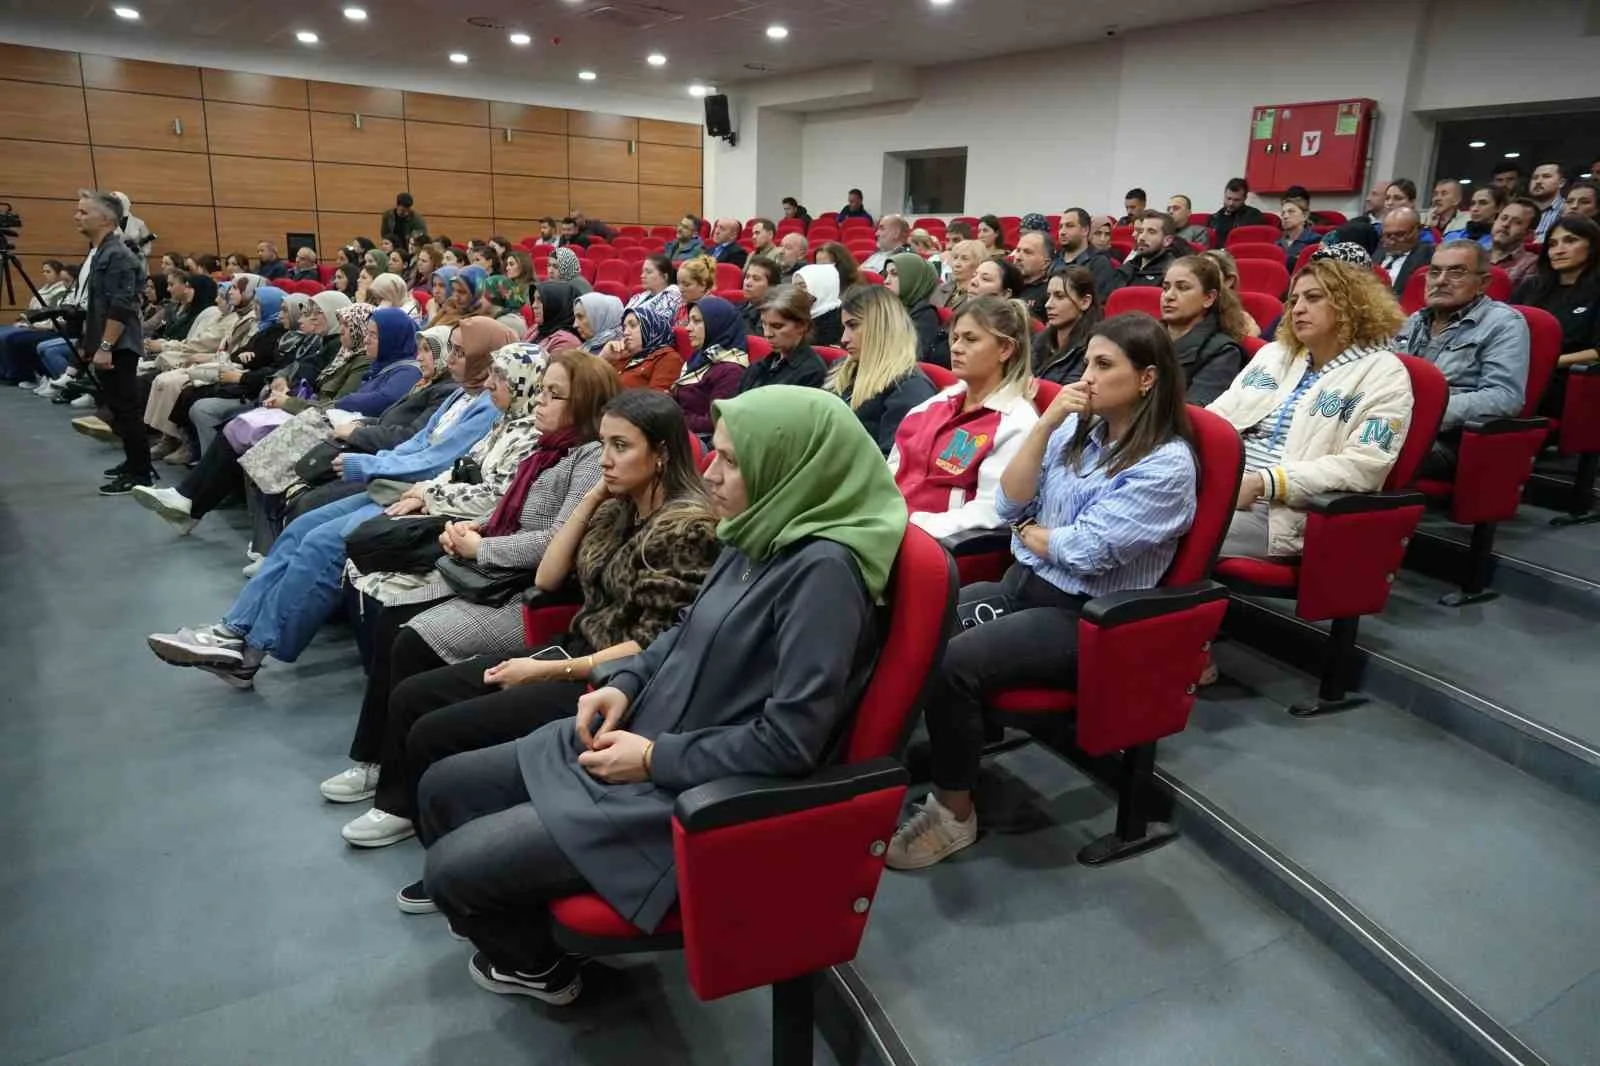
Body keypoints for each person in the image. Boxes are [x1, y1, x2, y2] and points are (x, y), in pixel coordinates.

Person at [406, 383, 904, 1005]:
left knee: (453, 870)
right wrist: (625, 682)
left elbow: (791, 742)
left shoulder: (824, 573)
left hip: (682, 784)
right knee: (443, 786)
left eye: (730, 460)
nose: (712, 473)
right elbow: (680, 632)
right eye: (715, 454)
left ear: (788, 467)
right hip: (640, 731)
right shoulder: (754, 529)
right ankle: (523, 919)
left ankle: (538, 965)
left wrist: (650, 759)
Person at [334, 385, 722, 851]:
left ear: (661, 454)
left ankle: (447, 848)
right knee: (415, 696)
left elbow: (657, 644)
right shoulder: (619, 506)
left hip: (612, 680)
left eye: (621, 446)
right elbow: (549, 573)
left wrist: (543, 670)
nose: (606, 459)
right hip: (574, 648)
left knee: (434, 731)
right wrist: (594, 496)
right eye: (603, 445)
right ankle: (406, 812)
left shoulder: (687, 529)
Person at [886, 313, 1198, 869]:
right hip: (1025, 584)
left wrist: (1032, 535)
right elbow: (1009, 505)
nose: (1087, 378)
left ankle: (955, 814)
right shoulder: (1081, 433)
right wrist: (1047, 422)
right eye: (1086, 363)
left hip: (1090, 617)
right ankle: (917, 756)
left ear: (1147, 379)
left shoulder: (1166, 464)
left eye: (1104, 365)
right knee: (915, 623)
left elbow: (1088, 551)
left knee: (951, 664)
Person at [144, 315, 513, 686]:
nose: (451, 359)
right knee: (302, 527)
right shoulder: (459, 393)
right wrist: (376, 464)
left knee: (324, 543)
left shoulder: (487, 407)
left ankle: (250, 652)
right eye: (453, 349)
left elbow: (437, 459)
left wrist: (366, 463)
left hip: (421, 497)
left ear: (488, 359)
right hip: (395, 482)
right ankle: (232, 628)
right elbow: (416, 444)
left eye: (462, 353)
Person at [1209, 249, 1414, 563]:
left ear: (1350, 303)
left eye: (1313, 298)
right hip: (1220, 485)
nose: (1298, 309)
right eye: (1293, 301)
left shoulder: (1386, 374)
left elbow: (1364, 466)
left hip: (1281, 513)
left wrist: (1264, 482)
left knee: (1162, 530)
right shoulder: (1275, 354)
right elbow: (1218, 417)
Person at [889, 295, 1039, 538]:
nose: (956, 347)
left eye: (971, 339)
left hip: (934, 543)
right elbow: (893, 470)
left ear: (1005, 349)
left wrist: (913, 524)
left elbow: (992, 511)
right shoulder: (931, 406)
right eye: (956, 337)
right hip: (889, 525)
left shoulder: (1017, 423)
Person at [1396, 240, 1531, 477]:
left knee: (1364, 450)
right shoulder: (1415, 321)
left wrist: (1424, 412)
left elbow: (1505, 396)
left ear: (1483, 282)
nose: (1440, 281)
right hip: (1396, 424)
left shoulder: (1503, 323)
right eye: (1435, 272)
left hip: (1447, 439)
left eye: (1456, 272)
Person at [75, 191, 154, 495]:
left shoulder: (117, 255)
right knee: (118, 409)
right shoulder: (102, 252)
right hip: (107, 341)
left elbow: (121, 305)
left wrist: (105, 347)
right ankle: (133, 462)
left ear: (105, 219)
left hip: (119, 345)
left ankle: (141, 473)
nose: (77, 216)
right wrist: (91, 343)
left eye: (84, 212)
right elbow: (99, 305)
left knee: (127, 410)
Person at [827, 284, 937, 454]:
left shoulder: (910, 389)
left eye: (853, 325)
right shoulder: (843, 369)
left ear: (880, 326)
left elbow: (890, 466)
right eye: (844, 327)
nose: (844, 339)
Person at [1511, 214, 1600, 417]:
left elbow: (1597, 352)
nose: (1558, 250)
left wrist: (1545, 363)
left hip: (1564, 378)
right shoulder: (1531, 286)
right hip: (1515, 369)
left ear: (1593, 245)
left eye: (1570, 240)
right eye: (1552, 244)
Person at [1160, 255, 1248, 405]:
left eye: (1182, 288)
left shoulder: (1223, 352)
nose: (1169, 296)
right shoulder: (1146, 335)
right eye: (1166, 288)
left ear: (1208, 298)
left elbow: (1193, 414)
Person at [671, 295, 749, 437]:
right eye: (689, 321)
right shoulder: (700, 357)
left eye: (697, 321)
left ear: (717, 324)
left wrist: (674, 419)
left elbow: (715, 421)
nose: (688, 328)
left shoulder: (731, 370)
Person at [739, 285, 827, 392]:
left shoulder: (812, 373)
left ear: (802, 326)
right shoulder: (761, 365)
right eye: (764, 324)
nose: (767, 334)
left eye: (777, 326)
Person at [1032, 265, 1104, 386]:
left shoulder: (1092, 349)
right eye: (1048, 296)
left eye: (1059, 296)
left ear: (1085, 302)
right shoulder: (1040, 340)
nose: (1048, 305)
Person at [884, 252, 948, 367]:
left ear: (912, 277)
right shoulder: (889, 308)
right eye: (886, 274)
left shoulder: (924, 315)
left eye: (894, 274)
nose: (886, 281)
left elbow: (909, 359)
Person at [602, 304, 683, 391]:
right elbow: (592, 388)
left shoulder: (668, 358)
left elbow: (657, 401)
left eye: (633, 325)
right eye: (624, 328)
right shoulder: (622, 356)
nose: (625, 333)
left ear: (650, 328)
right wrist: (604, 357)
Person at [1055, 208, 1117, 299]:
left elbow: (1097, 302)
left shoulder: (1099, 263)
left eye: (1069, 226)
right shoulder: (1054, 259)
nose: (1062, 232)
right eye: (1061, 227)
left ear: (1085, 230)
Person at [1112, 210, 1180, 290]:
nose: (1141, 237)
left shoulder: (1172, 273)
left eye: (1151, 232)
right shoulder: (1128, 266)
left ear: (1167, 241)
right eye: (1141, 231)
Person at [1377, 207, 1434, 298]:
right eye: (1388, 235)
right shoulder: (1377, 254)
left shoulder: (1428, 254)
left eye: (1399, 235)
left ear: (1418, 230)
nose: (1392, 241)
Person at [1488, 198, 1543, 288]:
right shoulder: (1476, 254)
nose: (1505, 224)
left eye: (1517, 222)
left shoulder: (1532, 263)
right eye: (1503, 218)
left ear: (1528, 234)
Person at [793, 263, 843, 347]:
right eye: (794, 287)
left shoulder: (837, 322)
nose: (796, 292)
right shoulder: (797, 315)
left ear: (821, 288)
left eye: (802, 286)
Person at [932, 238, 985, 313]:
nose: (957, 264)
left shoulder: (979, 295)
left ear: (978, 264)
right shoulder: (940, 289)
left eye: (965, 259)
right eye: (955, 258)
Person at [1210, 177, 1266, 247]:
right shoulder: (1215, 217)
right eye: (1228, 198)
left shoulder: (1254, 216)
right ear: (1224, 196)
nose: (1231, 203)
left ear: (1245, 198)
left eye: (1236, 200)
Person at [1011, 230, 1054, 321]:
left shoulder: (1050, 292)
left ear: (1045, 263)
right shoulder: (1005, 283)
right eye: (1018, 251)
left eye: (1027, 252)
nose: (1018, 257)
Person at [626, 254, 683, 322]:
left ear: (665, 276)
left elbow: (659, 323)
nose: (642, 276)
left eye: (648, 272)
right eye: (642, 272)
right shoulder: (637, 297)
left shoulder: (673, 296)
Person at [529, 282, 582, 352]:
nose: (534, 306)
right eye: (534, 299)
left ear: (556, 304)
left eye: (540, 300)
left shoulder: (566, 342)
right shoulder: (537, 329)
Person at [573, 291, 626, 356]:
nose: (575, 325)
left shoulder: (616, 352)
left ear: (599, 317)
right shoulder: (587, 347)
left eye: (580, 317)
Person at [740, 256, 780, 335]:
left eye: (756, 279)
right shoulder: (739, 306)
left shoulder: (773, 315)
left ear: (771, 286)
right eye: (747, 277)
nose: (748, 283)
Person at [1278, 198, 1323, 268]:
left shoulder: (1316, 240)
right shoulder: (1277, 243)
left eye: (1291, 211)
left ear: (1305, 216)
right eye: (1283, 213)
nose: (1285, 216)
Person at [1528, 162, 1568, 240]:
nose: (1538, 181)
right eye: (1535, 177)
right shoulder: (1520, 210)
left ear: (1561, 183)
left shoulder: (1568, 210)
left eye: (1546, 176)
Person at [675, 255, 717, 322]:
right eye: (678, 283)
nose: (680, 289)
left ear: (703, 285)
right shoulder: (681, 305)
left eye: (686, 285)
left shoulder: (713, 308)